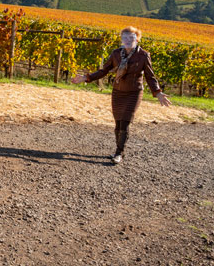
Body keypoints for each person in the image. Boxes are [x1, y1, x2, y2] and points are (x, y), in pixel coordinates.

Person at [72, 26, 171, 164]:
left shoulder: (143, 55)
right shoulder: (116, 54)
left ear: (137, 39)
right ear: (121, 40)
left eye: (131, 37)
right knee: (118, 123)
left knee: (125, 122)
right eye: (125, 37)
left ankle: (119, 153)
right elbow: (104, 71)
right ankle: (118, 151)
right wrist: (86, 78)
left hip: (134, 93)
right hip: (118, 92)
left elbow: (150, 76)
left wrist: (157, 92)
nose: (128, 40)